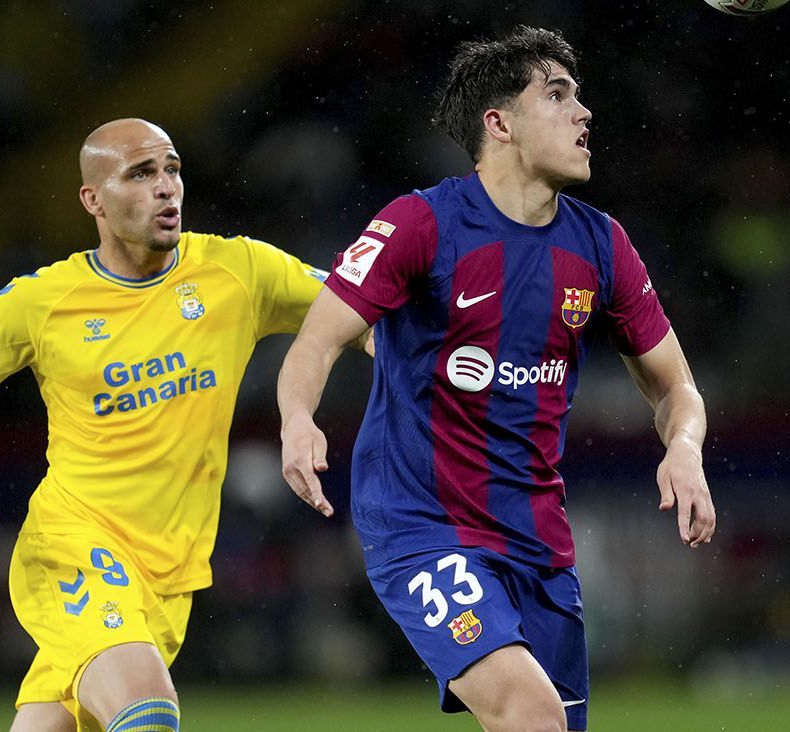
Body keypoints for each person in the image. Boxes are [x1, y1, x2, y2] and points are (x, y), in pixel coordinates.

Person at [277, 26, 715, 732]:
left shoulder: (603, 245)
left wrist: (685, 448)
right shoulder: (420, 223)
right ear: (499, 122)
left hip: (539, 538)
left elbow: (676, 388)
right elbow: (316, 342)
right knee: (530, 714)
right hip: (421, 525)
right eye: (558, 95)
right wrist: (299, 418)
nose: (585, 113)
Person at [0, 118, 364, 732]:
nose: (166, 187)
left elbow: (359, 314)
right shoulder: (41, 302)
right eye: (141, 174)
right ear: (93, 200)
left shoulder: (238, 273)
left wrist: (455, 376)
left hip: (167, 578)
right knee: (147, 712)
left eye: (172, 169)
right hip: (74, 549)